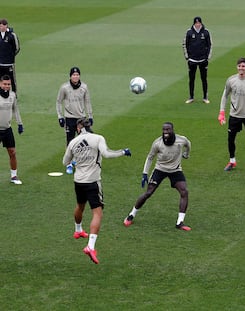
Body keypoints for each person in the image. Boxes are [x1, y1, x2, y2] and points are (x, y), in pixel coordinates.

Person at [63, 118, 131, 264]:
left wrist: (77, 161)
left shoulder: (73, 142)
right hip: (92, 182)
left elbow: (65, 162)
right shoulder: (98, 138)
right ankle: (90, 246)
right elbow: (107, 154)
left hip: (78, 181)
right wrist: (123, 152)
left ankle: (78, 230)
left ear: (78, 128)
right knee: (97, 212)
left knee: (80, 205)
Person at [123, 122, 192, 231]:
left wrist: (187, 154)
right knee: (148, 193)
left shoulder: (181, 140)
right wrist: (145, 173)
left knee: (184, 192)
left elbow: (188, 144)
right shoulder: (157, 143)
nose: (165, 132)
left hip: (175, 170)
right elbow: (150, 157)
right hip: (160, 169)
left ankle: (180, 222)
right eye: (164, 130)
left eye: (168, 130)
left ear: (172, 130)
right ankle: (131, 215)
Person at [56, 67, 93, 174]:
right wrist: (60, 116)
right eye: (74, 75)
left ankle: (79, 161)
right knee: (70, 142)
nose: (75, 77)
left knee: (85, 141)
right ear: (70, 76)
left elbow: (87, 102)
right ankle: (69, 164)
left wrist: (90, 116)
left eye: (77, 75)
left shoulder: (84, 87)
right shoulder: (64, 88)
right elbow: (58, 102)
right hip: (69, 118)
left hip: (81, 118)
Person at [182, 16, 212, 104]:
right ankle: (191, 97)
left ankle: (205, 97)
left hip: (203, 59)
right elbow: (184, 44)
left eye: (199, 23)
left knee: (204, 79)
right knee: (192, 79)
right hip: (192, 60)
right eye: (196, 23)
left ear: (201, 23)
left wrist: (208, 57)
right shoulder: (189, 32)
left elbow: (210, 45)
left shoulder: (206, 32)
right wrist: (187, 57)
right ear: (194, 23)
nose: (198, 25)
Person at [0, 75, 23, 184]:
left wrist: (20, 123)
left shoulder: (12, 95)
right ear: (0, 84)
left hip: (7, 129)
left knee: (12, 152)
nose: (7, 86)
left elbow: (16, 110)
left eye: (8, 84)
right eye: (4, 84)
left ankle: (14, 176)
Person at [0, 19, 20, 94]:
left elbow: (17, 48)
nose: (0, 27)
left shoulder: (12, 35)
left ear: (6, 26)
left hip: (9, 63)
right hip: (0, 63)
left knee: (12, 80)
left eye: (1, 26)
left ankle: (14, 94)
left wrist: (11, 56)